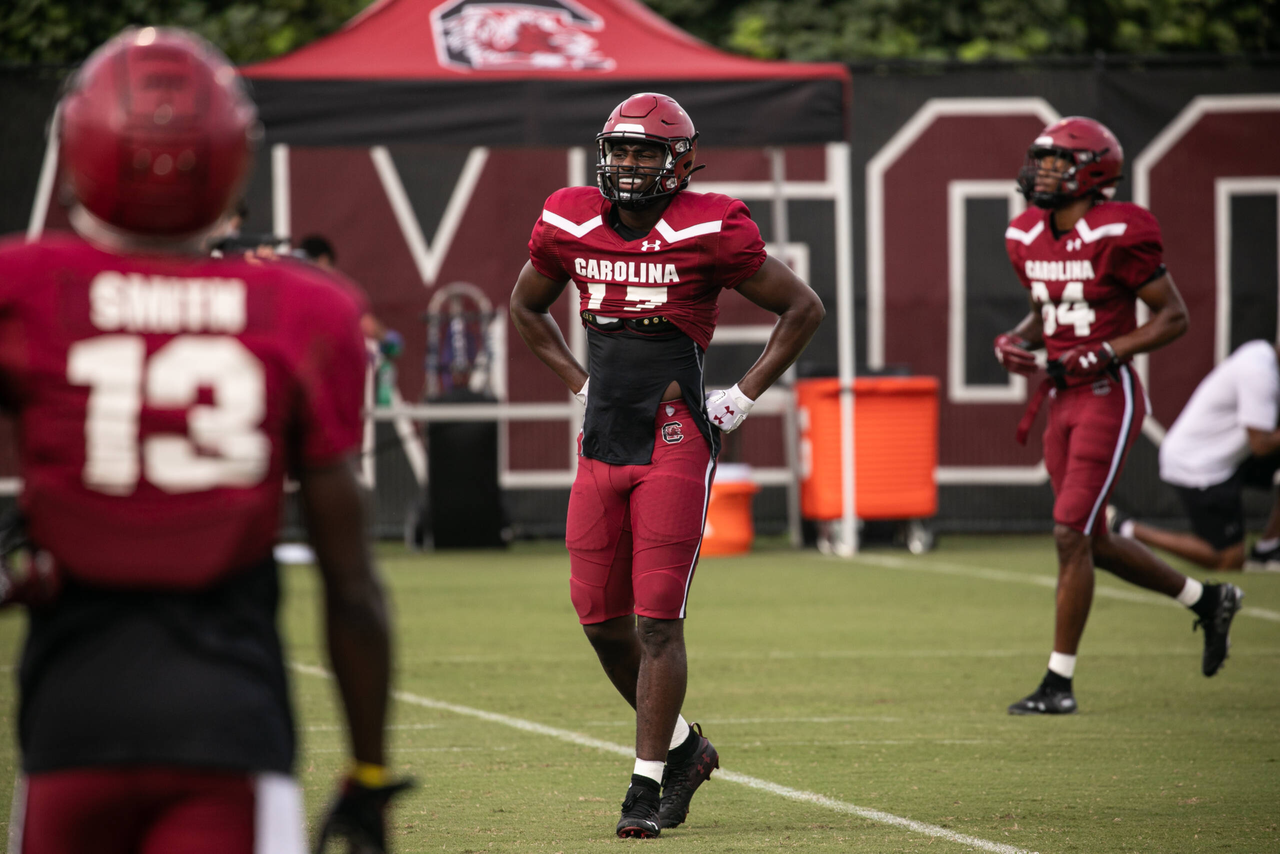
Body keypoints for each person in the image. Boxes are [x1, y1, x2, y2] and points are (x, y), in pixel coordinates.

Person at [0, 28, 410, 853]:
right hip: (231, 723)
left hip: (70, 728)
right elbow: (352, 586)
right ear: (232, 156)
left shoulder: (24, 285)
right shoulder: (309, 307)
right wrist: (368, 774)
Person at [510, 93, 824, 837]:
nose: (628, 164)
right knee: (600, 623)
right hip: (603, 436)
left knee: (657, 623)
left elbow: (802, 307)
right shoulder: (568, 217)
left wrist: (739, 401)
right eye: (619, 150)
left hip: (675, 436)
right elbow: (527, 306)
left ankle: (644, 787)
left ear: (679, 161)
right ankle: (686, 748)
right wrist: (579, 384)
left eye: (645, 152)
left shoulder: (711, 225)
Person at [993, 116, 1244, 715]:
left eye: (1057, 161)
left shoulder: (1121, 230)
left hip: (1107, 393)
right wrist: (1020, 337)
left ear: (1093, 172)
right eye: (1041, 159)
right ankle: (1207, 601)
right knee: (1092, 540)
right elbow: (1050, 307)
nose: (1043, 171)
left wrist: (1106, 349)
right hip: (1059, 397)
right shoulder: (1027, 233)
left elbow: (1172, 316)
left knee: (1068, 533)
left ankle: (1059, 683)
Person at [1108, 339, 1280, 570]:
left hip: (1226, 456)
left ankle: (1268, 547)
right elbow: (1260, 444)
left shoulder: (1262, 354)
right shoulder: (1259, 372)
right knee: (1229, 559)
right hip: (1197, 466)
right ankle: (1126, 528)